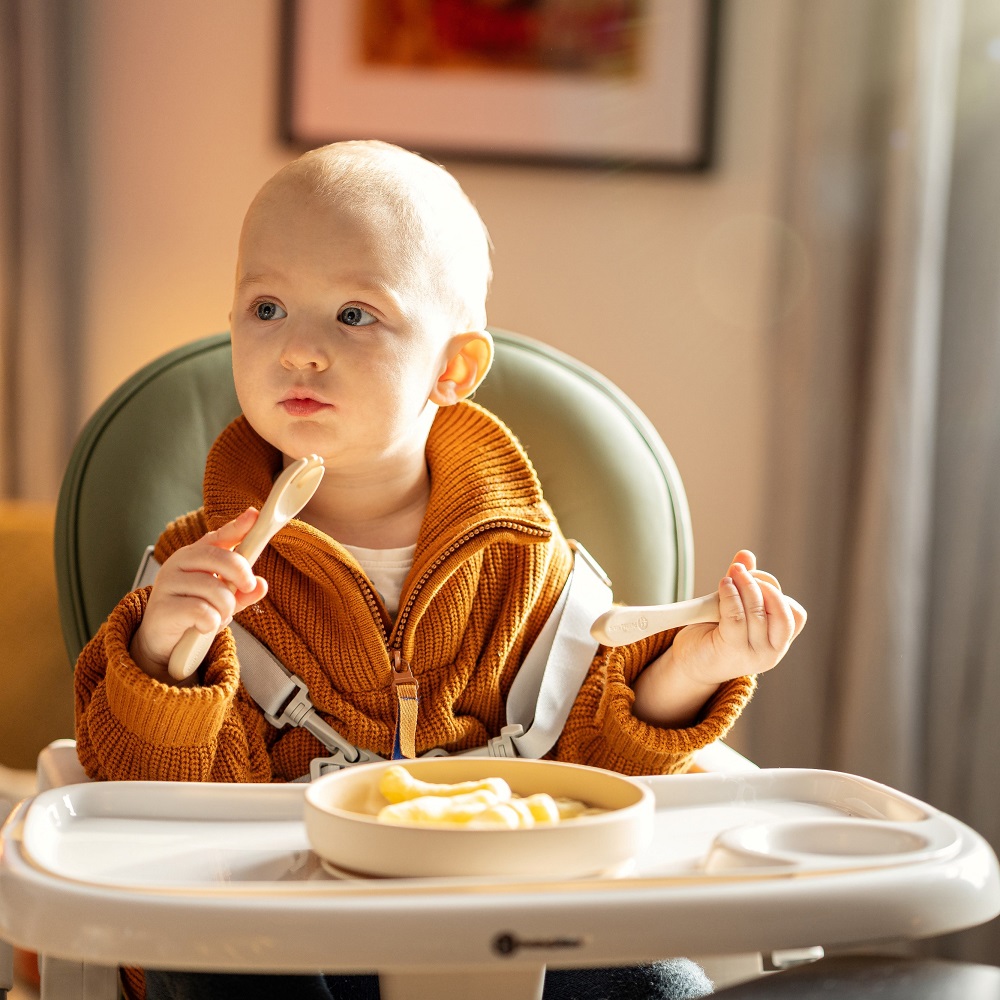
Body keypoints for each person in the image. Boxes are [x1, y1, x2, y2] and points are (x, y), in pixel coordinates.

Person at [75, 140, 806, 1000]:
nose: (300, 349)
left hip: (503, 932)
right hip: (283, 936)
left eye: (354, 315)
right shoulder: (191, 574)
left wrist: (694, 668)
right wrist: (164, 662)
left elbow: (598, 790)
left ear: (453, 368)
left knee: (658, 982)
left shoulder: (531, 568)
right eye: (266, 307)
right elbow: (144, 826)